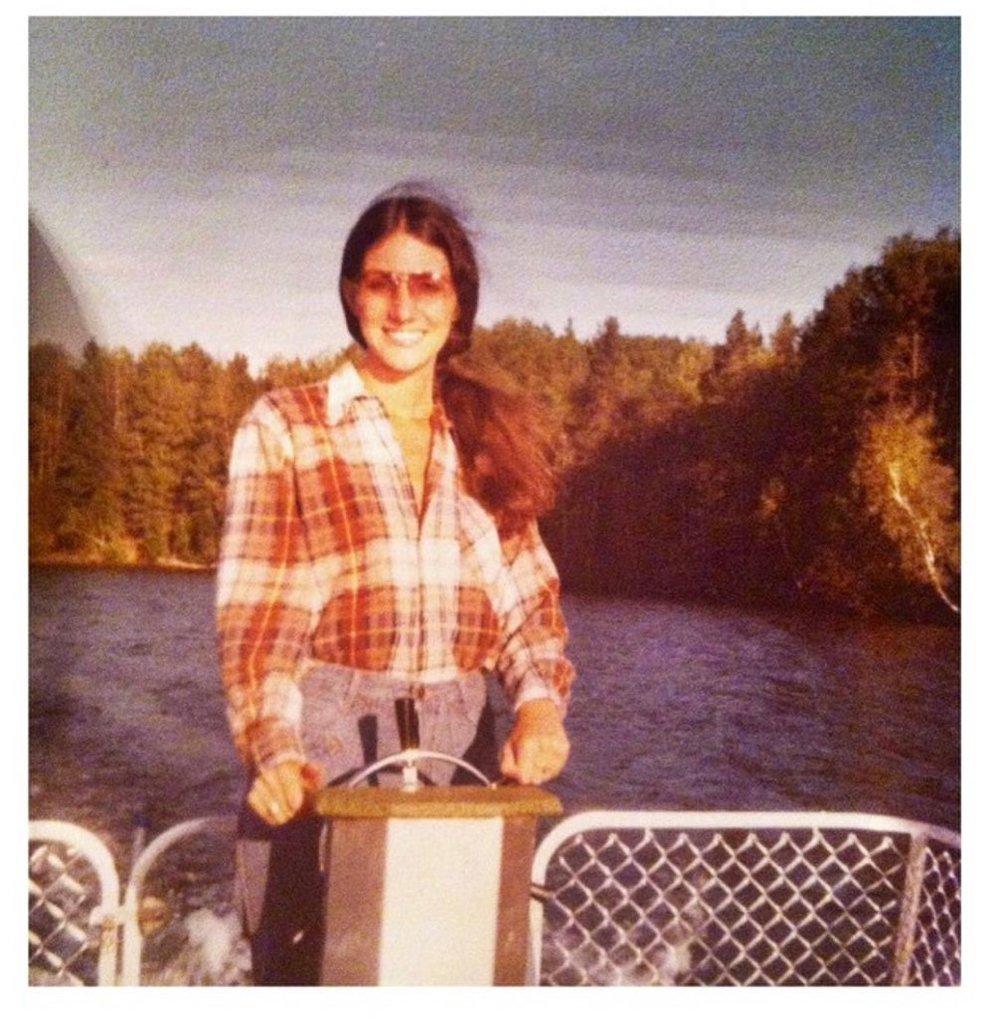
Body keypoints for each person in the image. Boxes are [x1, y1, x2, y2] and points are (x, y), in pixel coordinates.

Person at [216, 185, 576, 984]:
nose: (403, 305)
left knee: (453, 976)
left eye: (427, 283)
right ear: (352, 294)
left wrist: (541, 706)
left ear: (458, 300)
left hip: (466, 757)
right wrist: (274, 755)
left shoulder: (487, 436)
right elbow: (260, 623)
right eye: (382, 282)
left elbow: (528, 608)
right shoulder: (285, 425)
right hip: (325, 752)